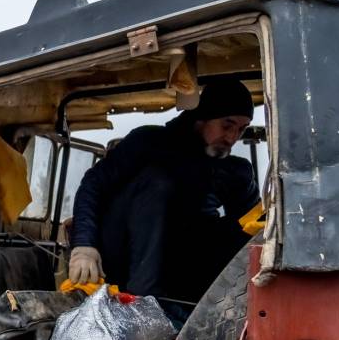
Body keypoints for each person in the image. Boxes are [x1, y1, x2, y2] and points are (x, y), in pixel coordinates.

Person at [67, 78, 259, 306]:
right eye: (227, 126)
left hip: (180, 265)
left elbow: (251, 224)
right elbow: (93, 186)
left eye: (241, 129)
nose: (232, 137)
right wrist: (84, 246)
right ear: (203, 117)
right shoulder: (149, 143)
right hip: (123, 255)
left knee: (242, 227)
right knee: (159, 181)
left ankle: (214, 305)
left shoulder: (233, 171)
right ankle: (143, 303)